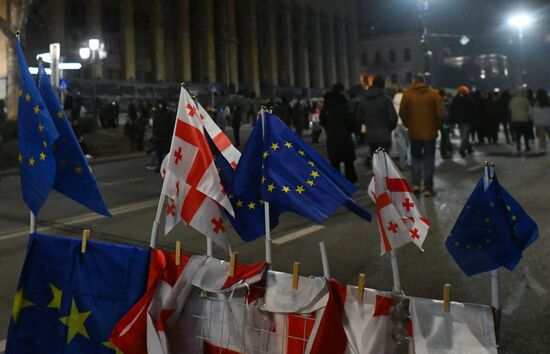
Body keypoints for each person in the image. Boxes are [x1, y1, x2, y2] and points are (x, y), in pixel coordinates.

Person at [399, 73, 445, 197]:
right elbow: (441, 114)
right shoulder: (433, 94)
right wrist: (437, 126)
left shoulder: (407, 94)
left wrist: (409, 124)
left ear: (414, 81)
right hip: (430, 132)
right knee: (429, 159)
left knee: (415, 158)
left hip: (414, 132)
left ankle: (416, 185)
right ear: (424, 81)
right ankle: (428, 188)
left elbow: (402, 112)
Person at [320, 84, 358, 183]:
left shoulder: (327, 106)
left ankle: (336, 181)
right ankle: (350, 180)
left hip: (332, 136)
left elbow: (322, 120)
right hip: (344, 136)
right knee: (348, 161)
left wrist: (329, 129)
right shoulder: (344, 105)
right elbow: (350, 121)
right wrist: (350, 130)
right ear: (341, 92)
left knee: (334, 161)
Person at [356, 75, 397, 159]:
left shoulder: (364, 99)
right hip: (384, 134)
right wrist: (389, 128)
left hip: (371, 135)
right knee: (383, 159)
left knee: (375, 158)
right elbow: (393, 118)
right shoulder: (386, 99)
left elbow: (359, 117)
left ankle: (376, 171)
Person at [449, 86, 478, 158]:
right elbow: (474, 110)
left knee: (463, 136)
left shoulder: (455, 100)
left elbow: (452, 110)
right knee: (465, 135)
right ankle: (463, 149)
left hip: (459, 121)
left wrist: (452, 120)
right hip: (467, 121)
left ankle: (468, 148)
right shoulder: (469, 100)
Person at [152, 100, 173, 172]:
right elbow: (155, 125)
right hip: (158, 137)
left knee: (167, 152)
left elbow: (170, 125)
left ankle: (168, 166)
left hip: (165, 136)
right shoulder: (156, 114)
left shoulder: (168, 114)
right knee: (159, 152)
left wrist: (167, 133)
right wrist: (155, 134)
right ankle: (160, 165)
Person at [509, 89, 532, 154]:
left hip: (515, 119)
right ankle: (527, 146)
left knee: (517, 133)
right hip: (524, 119)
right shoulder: (525, 100)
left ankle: (518, 145)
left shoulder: (512, 100)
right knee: (525, 133)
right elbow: (529, 109)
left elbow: (510, 109)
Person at [392, 88, 410, 169]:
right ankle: (408, 162)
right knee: (408, 144)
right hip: (405, 123)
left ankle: (402, 163)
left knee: (400, 143)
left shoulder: (393, 100)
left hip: (397, 123)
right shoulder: (406, 99)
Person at [531, 89, 550, 153]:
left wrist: (533, 119)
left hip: (539, 122)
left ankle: (542, 149)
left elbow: (531, 112)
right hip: (548, 121)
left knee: (541, 136)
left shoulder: (534, 102)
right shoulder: (548, 101)